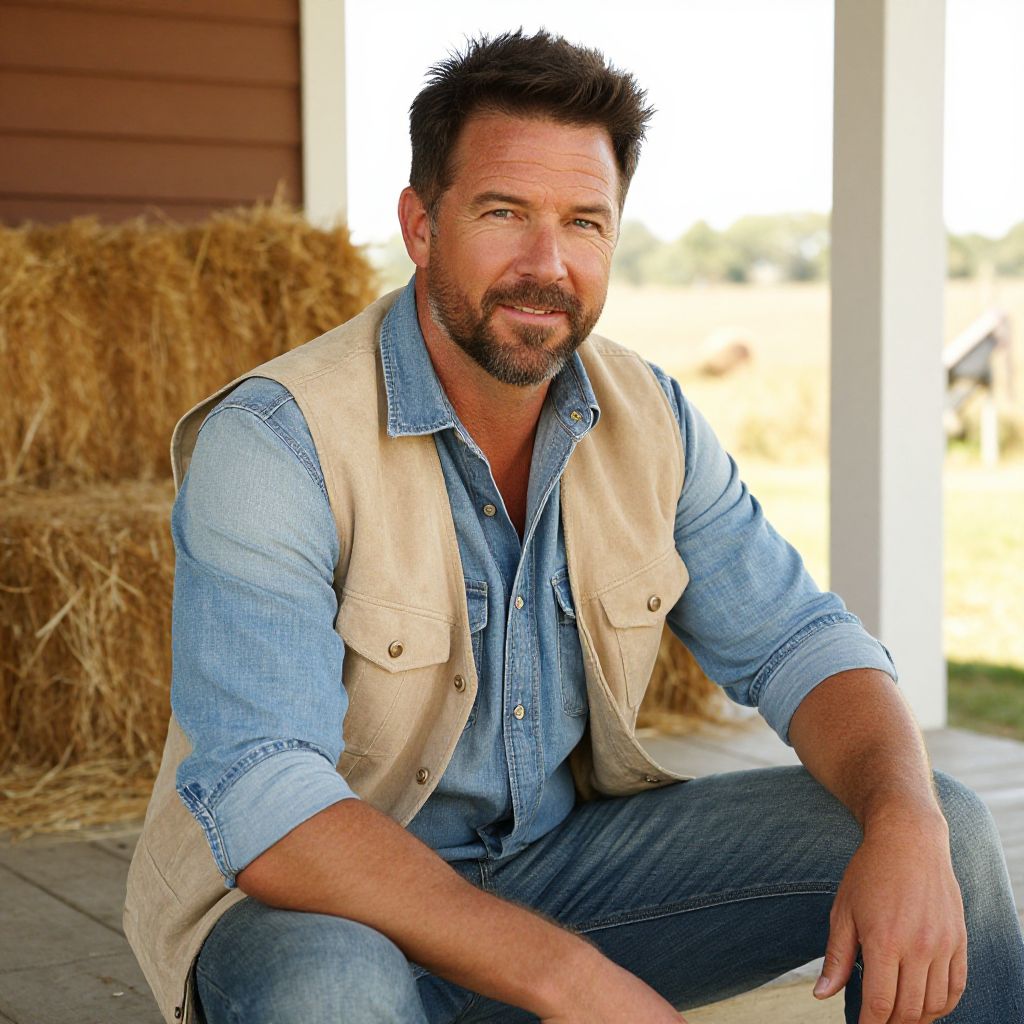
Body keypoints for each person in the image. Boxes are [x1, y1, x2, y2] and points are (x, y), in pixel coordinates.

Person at [124, 29, 1024, 1024]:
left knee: (938, 831)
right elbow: (266, 800)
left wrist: (905, 821)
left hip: (561, 873)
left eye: (584, 222)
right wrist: (576, 983)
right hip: (321, 909)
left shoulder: (651, 417)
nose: (546, 264)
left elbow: (801, 644)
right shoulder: (277, 440)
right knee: (333, 988)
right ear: (420, 225)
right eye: (504, 213)